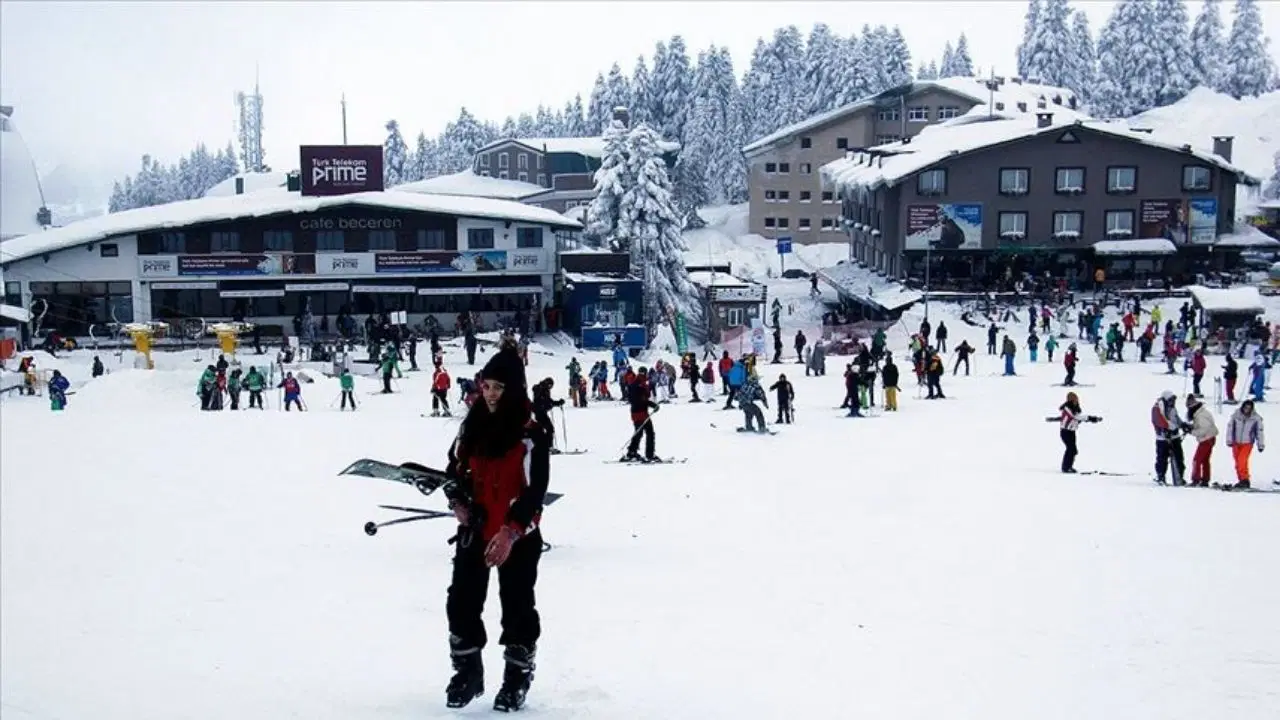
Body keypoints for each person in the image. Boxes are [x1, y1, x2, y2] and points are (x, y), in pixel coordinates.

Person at [442, 346, 549, 712]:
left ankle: (517, 678)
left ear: (514, 389)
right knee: (461, 603)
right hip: (476, 529)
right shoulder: (470, 426)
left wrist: (511, 531)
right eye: (486, 386)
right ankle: (468, 671)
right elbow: (453, 472)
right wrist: (457, 501)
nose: (489, 394)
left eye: (498, 387)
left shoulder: (530, 434)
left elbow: (535, 492)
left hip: (517, 535)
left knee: (517, 607)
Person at [1224, 399, 1265, 489]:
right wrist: (1229, 440)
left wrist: (1260, 444)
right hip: (1236, 443)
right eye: (1246, 408)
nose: (1247, 410)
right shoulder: (1236, 416)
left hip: (1247, 443)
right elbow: (1230, 428)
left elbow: (1259, 431)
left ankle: (1245, 479)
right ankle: (1241, 480)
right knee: (1237, 463)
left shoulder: (1256, 418)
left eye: (1249, 408)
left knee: (1242, 461)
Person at [1057, 391, 1100, 473]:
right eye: (1075, 399)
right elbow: (1076, 417)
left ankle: (1069, 466)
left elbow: (1077, 419)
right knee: (1071, 449)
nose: (1077, 400)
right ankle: (1066, 468)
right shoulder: (1068, 408)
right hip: (1066, 432)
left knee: (1073, 450)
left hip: (1071, 432)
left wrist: (1090, 420)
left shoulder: (1074, 407)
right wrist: (1091, 418)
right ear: (1071, 400)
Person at [1151, 390, 1188, 485]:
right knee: (1162, 459)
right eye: (1171, 400)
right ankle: (1161, 476)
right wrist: (1167, 429)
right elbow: (1159, 421)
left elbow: (1175, 418)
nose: (1173, 402)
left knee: (1179, 458)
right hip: (1163, 438)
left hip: (1174, 437)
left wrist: (1182, 425)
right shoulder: (1157, 408)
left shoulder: (1172, 408)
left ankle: (1179, 477)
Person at [623, 367, 660, 462]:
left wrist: (651, 405)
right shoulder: (639, 385)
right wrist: (653, 405)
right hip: (640, 413)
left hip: (638, 412)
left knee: (639, 432)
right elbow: (641, 400)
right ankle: (649, 454)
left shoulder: (637, 383)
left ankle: (632, 452)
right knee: (649, 433)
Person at [1185, 394, 1218, 486]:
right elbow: (1201, 426)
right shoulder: (1200, 413)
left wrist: (1191, 431)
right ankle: (1205, 479)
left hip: (1206, 439)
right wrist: (1191, 427)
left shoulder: (1200, 415)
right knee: (1205, 460)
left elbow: (1204, 430)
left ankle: (1196, 479)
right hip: (1210, 438)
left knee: (1197, 460)